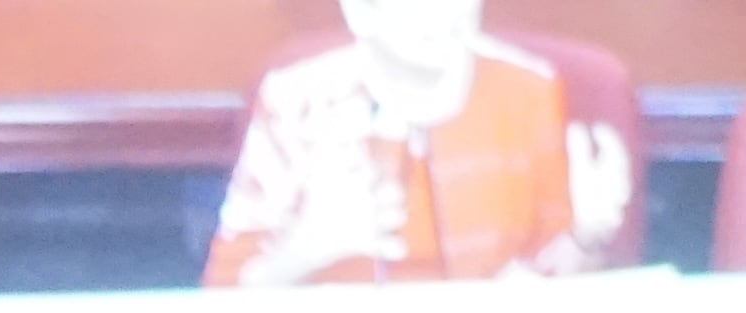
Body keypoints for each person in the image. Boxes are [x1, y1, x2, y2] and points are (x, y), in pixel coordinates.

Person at [205, 0, 592, 288]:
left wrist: (590, 236)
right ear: (359, 11)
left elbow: (562, 272)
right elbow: (222, 302)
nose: (444, 11)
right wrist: (307, 246)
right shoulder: (295, 103)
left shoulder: (531, 91)